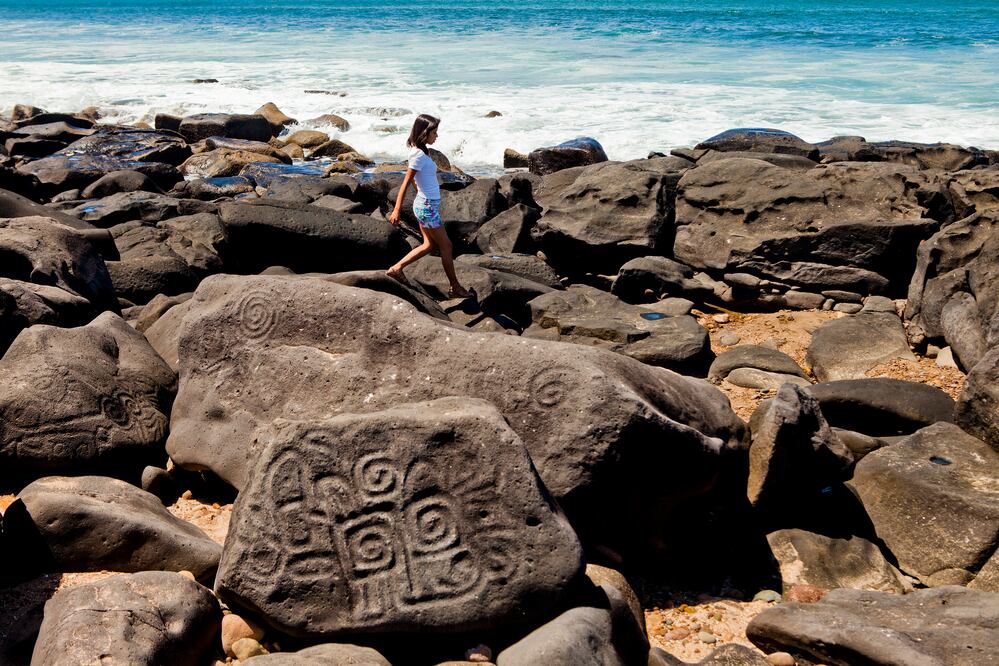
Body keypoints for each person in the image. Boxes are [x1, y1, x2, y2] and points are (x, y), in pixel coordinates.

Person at [386, 114, 470, 298]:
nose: (437, 135)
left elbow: (418, 180)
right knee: (446, 246)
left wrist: (422, 196)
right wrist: (397, 209)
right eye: (434, 132)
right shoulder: (417, 155)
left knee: (429, 245)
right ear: (424, 133)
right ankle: (455, 286)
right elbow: (406, 182)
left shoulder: (423, 152)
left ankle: (396, 268)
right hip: (426, 208)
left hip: (425, 205)